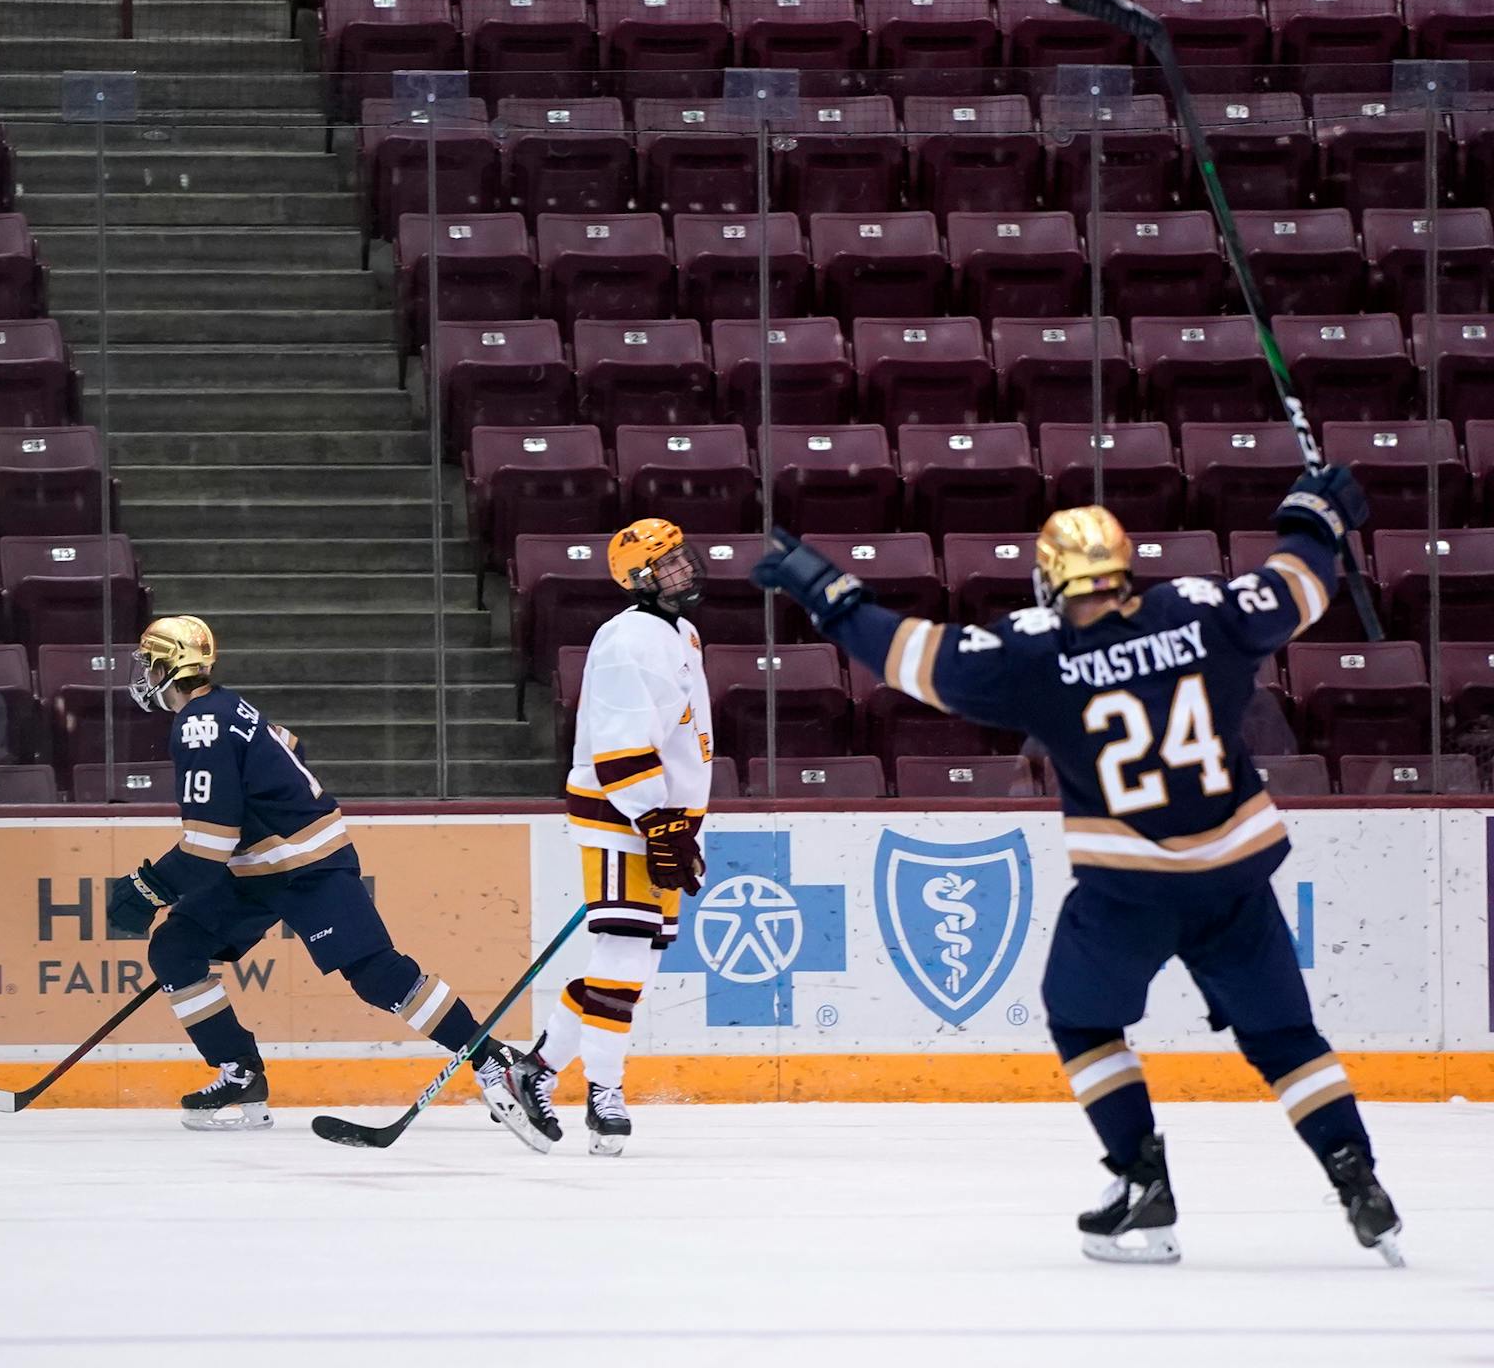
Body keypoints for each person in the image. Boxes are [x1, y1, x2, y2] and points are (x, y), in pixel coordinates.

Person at [752, 469, 1404, 1267]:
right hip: (1233, 875)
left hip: (1128, 889)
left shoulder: (1037, 656)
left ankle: (1139, 1179)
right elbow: (1301, 583)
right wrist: (1313, 513)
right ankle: (1355, 1174)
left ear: (1053, 579)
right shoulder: (1203, 612)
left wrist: (828, 592)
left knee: (1083, 1020)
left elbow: (907, 656)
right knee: (1287, 1038)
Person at [105, 615, 528, 1135]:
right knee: (176, 948)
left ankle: (495, 1061)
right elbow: (290, 744)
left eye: (149, 664)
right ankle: (240, 1074)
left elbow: (206, 845)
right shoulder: (230, 705)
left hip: (308, 867)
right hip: (261, 868)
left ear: (170, 666)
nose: (144, 675)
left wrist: (148, 888)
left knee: (378, 975)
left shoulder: (197, 724)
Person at [499, 519, 712, 1156]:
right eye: (667, 564)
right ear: (638, 579)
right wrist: (652, 818)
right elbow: (621, 749)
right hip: (625, 820)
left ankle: (534, 1069)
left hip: (662, 820)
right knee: (621, 957)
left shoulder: (682, 633)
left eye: (682, 558)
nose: (684, 569)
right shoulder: (627, 640)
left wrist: (675, 820)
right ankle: (604, 1093)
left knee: (632, 962)